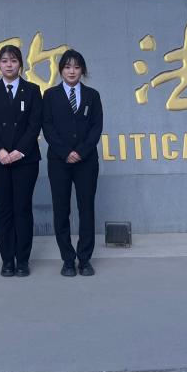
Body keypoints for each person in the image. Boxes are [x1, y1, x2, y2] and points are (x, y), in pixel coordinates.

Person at [0, 44, 43, 277]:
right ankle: (7, 260)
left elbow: (35, 124)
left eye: (13, 61)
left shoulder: (33, 90)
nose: (9, 65)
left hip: (26, 159)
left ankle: (22, 260)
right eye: (4, 61)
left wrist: (20, 151)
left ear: (20, 65)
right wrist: (0, 150)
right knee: (4, 209)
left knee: (23, 208)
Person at [41, 49, 103, 277]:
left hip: (87, 162)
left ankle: (84, 259)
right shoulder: (50, 95)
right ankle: (68, 260)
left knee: (86, 209)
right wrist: (66, 152)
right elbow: (47, 126)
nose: (72, 71)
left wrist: (81, 152)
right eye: (67, 67)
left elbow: (97, 127)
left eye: (76, 67)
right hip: (59, 161)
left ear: (82, 71)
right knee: (61, 210)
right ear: (61, 70)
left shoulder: (92, 95)